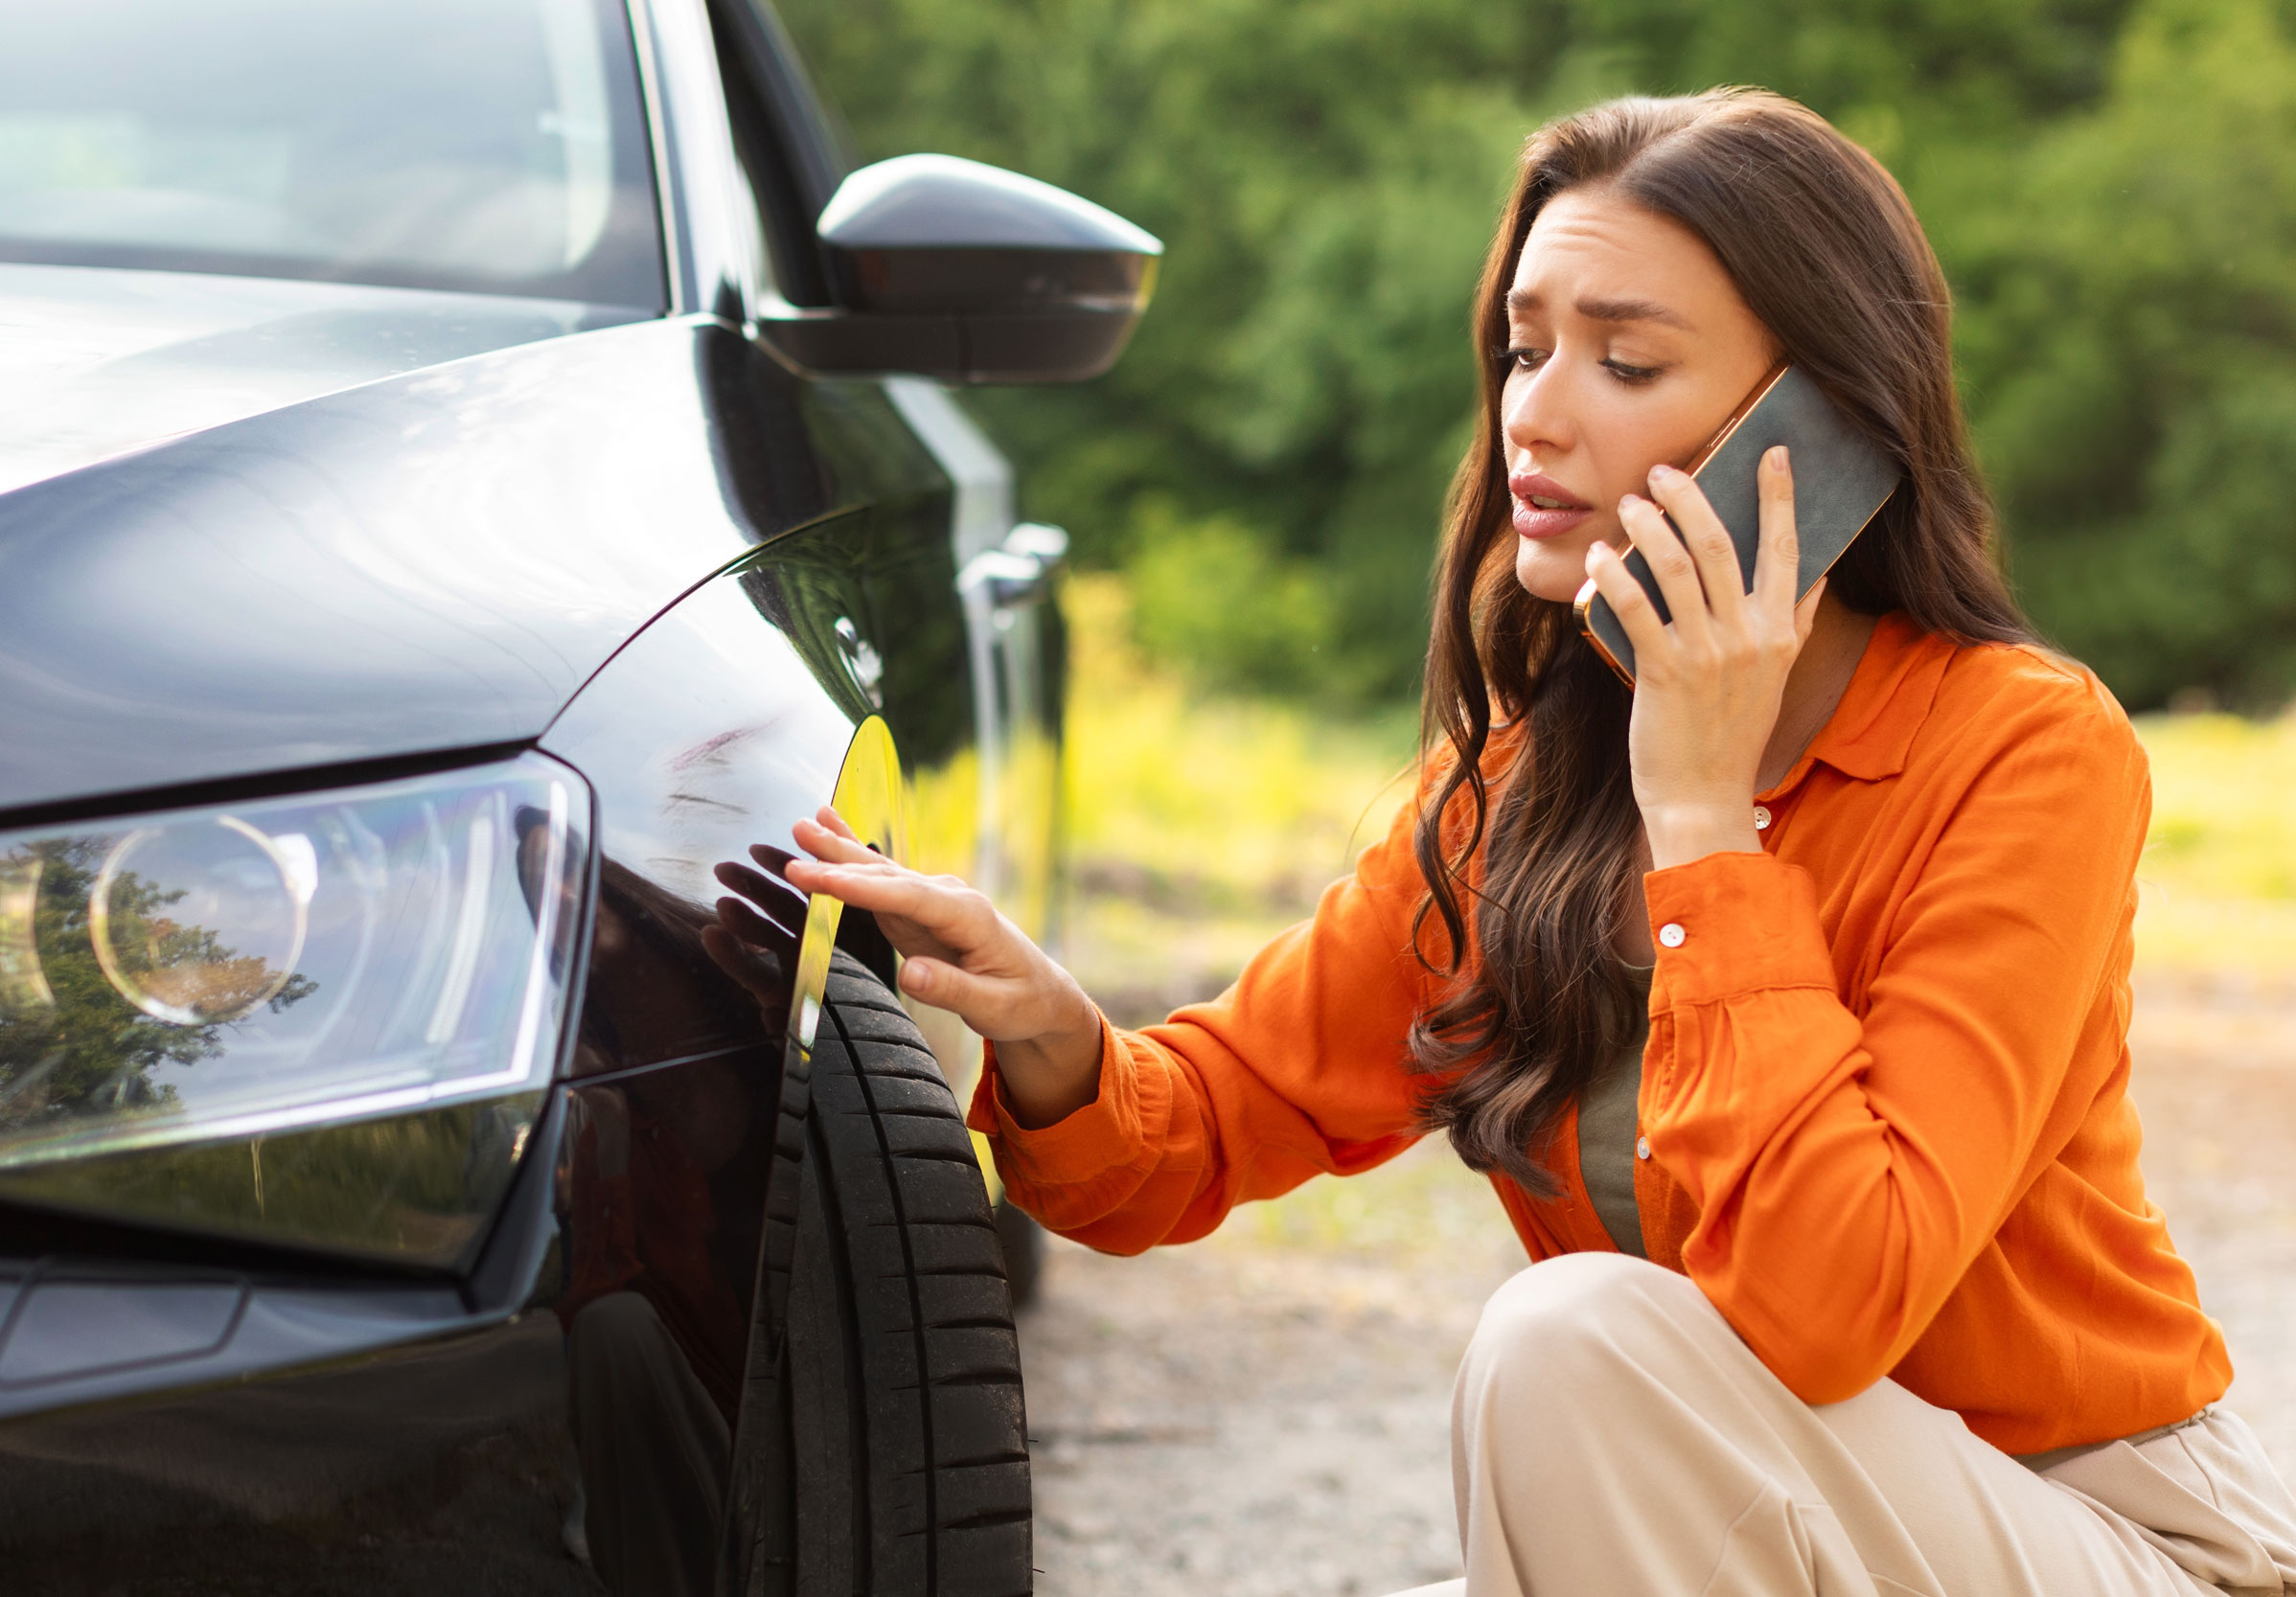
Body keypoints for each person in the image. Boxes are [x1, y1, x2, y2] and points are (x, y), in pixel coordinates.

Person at [777, 89, 2296, 1594]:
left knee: (1571, 1342)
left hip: (2095, 1533)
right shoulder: (1520, 786)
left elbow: (1835, 1304)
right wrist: (1044, 1028)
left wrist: (1703, 821)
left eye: (1625, 359)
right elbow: (1194, 1135)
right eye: (1524, 348)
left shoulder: (2023, 749)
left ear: (1821, 429)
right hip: (1745, 1528)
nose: (1537, 412)